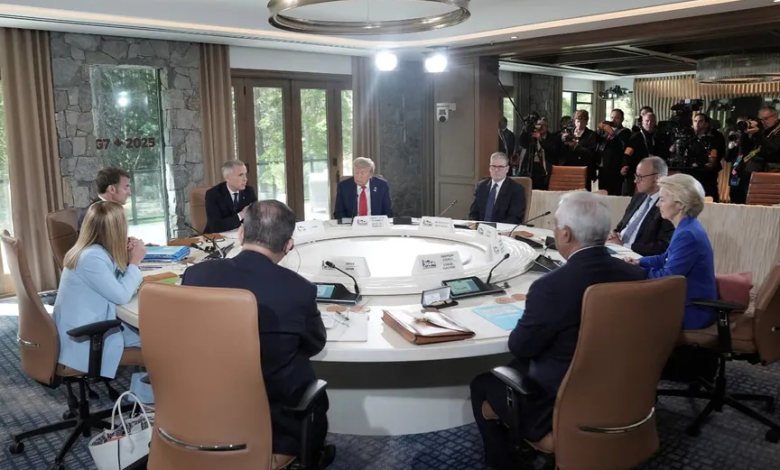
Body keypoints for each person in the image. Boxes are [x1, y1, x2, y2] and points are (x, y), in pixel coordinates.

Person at [470, 192, 646, 470]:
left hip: (561, 401)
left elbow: (521, 347)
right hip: (624, 393)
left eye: (554, 224)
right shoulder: (636, 276)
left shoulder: (551, 287)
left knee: (483, 383)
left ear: (565, 234)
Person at [181, 200, 331, 469]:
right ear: (288, 246)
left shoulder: (195, 276)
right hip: (271, 427)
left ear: (241, 234)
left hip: (199, 412)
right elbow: (315, 344)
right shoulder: (300, 290)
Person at [53, 201, 153, 401]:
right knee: (160, 343)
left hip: (88, 326)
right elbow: (121, 295)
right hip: (86, 338)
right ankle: (147, 401)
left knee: (152, 337)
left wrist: (125, 257)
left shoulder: (91, 251)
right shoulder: (91, 258)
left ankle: (142, 398)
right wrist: (135, 262)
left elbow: (111, 282)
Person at [624, 173, 716, 330]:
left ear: (680, 204)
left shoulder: (687, 234)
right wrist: (639, 262)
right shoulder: (686, 227)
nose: (657, 205)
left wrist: (635, 272)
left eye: (662, 200)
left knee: (625, 311)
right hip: (683, 301)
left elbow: (668, 277)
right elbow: (664, 258)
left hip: (693, 310)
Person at [608, 157, 674, 256]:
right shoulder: (638, 196)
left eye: (640, 177)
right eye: (635, 176)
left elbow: (662, 246)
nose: (635, 181)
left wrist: (625, 246)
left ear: (657, 178)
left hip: (637, 256)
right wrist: (613, 234)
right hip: (617, 249)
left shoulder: (667, 205)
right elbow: (621, 226)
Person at [468, 152, 526, 224]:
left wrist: (495, 228)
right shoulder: (481, 186)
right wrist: (475, 225)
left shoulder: (516, 189)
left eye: (500, 167)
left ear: (507, 169)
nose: (496, 170)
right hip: (479, 228)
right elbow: (473, 213)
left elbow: (514, 217)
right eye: (493, 166)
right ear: (489, 168)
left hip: (502, 229)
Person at [205, 160, 258, 233]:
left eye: (245, 174)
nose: (245, 179)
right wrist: (241, 215)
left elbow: (256, 217)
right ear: (227, 177)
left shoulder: (249, 191)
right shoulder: (213, 195)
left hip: (240, 234)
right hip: (217, 236)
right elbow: (216, 226)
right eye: (240, 175)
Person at [623, 112, 667, 196]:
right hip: (637, 171)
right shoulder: (635, 137)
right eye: (647, 121)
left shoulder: (658, 137)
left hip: (653, 171)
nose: (649, 123)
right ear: (642, 122)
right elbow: (627, 153)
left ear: (655, 122)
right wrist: (625, 164)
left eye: (652, 121)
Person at [559, 109, 599, 190]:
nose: (580, 124)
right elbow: (560, 151)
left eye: (583, 121)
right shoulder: (569, 132)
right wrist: (562, 140)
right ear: (574, 121)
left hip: (583, 170)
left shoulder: (591, 134)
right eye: (578, 121)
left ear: (586, 122)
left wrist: (576, 146)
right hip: (568, 168)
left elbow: (591, 153)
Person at [596, 109, 632, 196]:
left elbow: (622, 147)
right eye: (612, 117)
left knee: (614, 193)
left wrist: (612, 133)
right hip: (603, 166)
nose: (613, 120)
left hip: (615, 167)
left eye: (616, 118)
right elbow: (597, 142)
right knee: (602, 192)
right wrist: (598, 130)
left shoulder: (625, 131)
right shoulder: (605, 131)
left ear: (622, 119)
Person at [518, 117, 559, 189]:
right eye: (539, 125)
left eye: (544, 125)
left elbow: (551, 149)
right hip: (532, 167)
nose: (541, 127)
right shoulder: (532, 137)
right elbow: (522, 143)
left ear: (547, 127)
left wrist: (540, 139)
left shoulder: (552, 138)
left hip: (544, 168)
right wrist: (524, 130)